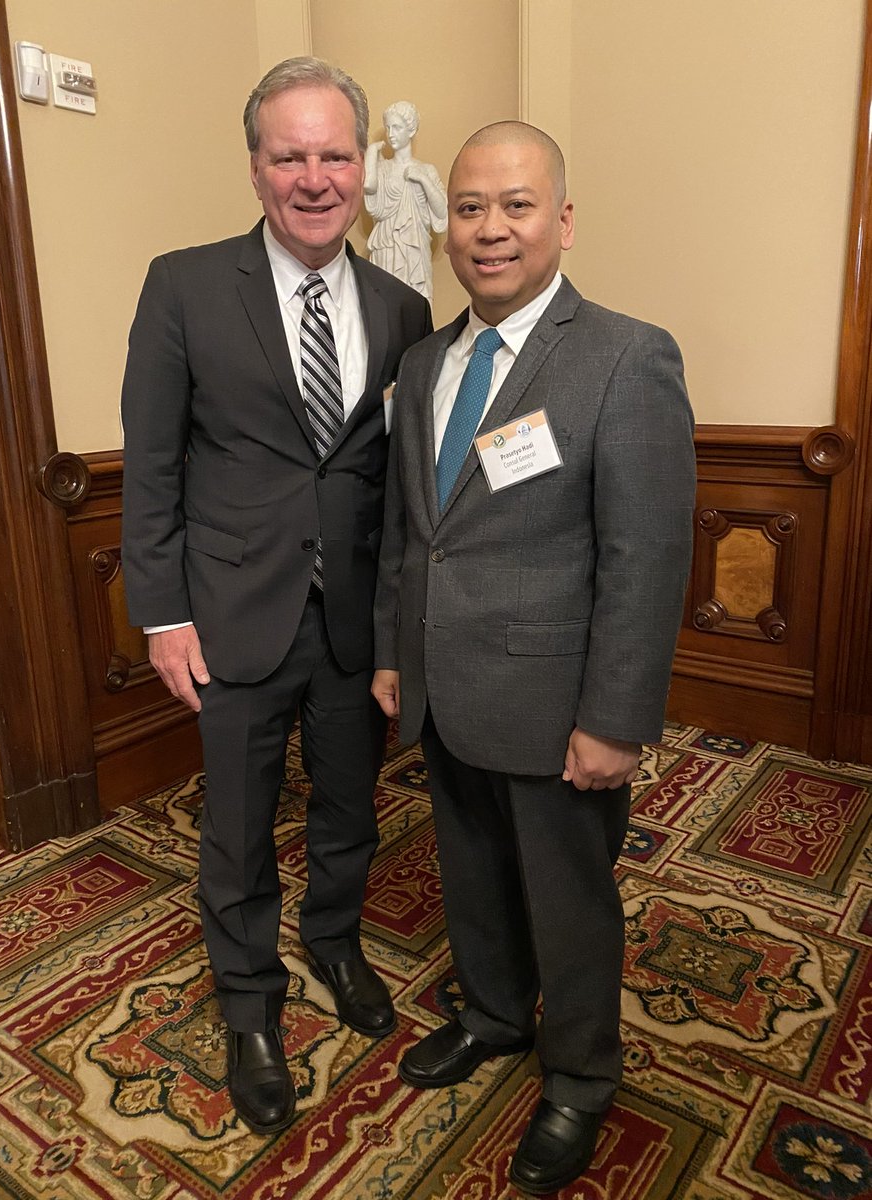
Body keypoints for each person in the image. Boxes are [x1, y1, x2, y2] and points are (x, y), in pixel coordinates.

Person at [372, 121, 695, 1195]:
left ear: (561, 219)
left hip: (560, 704)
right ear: (445, 230)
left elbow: (644, 555)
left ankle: (581, 1079)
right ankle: (497, 1017)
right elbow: (409, 532)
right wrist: (391, 656)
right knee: (467, 877)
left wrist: (616, 718)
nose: (489, 229)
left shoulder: (624, 354)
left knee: (569, 903)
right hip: (443, 689)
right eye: (469, 209)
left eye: (515, 206)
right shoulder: (424, 364)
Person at [121, 56, 432, 1136]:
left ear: (360, 169)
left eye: (334, 154)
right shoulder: (184, 283)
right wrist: (162, 614)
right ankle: (249, 1002)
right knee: (239, 828)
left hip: (355, 625)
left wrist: (402, 627)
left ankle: (336, 943)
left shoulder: (405, 306)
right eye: (289, 155)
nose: (315, 176)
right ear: (255, 166)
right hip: (230, 620)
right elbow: (152, 462)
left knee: (351, 809)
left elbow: (398, 482)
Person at [364, 100, 447, 301]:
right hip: (386, 246)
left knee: (416, 306)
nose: (390, 133)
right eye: (388, 127)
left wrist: (424, 180)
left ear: (411, 130)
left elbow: (443, 212)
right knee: (384, 306)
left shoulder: (426, 170)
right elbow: (368, 187)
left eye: (397, 127)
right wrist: (371, 155)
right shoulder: (383, 169)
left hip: (415, 247)